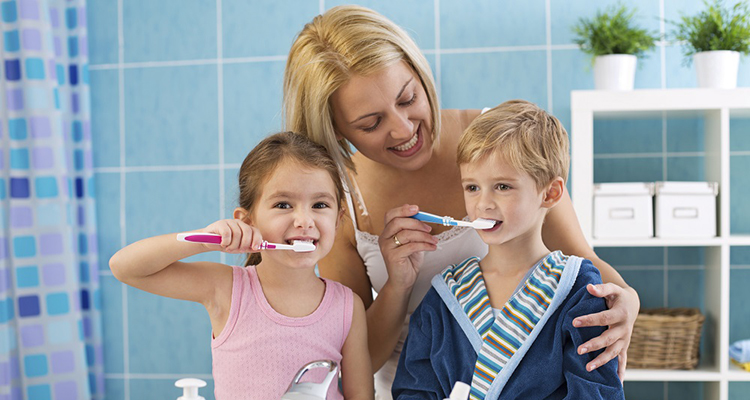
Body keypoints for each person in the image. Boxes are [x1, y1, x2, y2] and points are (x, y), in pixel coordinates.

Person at [283, 5, 639, 397]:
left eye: (407, 98)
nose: (403, 129)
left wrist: (630, 301)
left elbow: (582, 262)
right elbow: (355, 357)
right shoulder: (337, 200)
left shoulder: (502, 143)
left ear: (419, 72)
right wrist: (397, 286)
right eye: (371, 123)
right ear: (335, 130)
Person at [108, 132, 373, 400]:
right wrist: (204, 241)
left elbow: (361, 395)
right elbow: (124, 267)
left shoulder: (348, 307)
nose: (304, 220)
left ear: (338, 220)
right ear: (247, 221)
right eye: (283, 204)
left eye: (319, 204)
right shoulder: (226, 288)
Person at [392, 100, 624, 399]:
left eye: (502, 186)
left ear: (550, 193)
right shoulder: (445, 294)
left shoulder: (579, 290)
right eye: (472, 187)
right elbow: (414, 388)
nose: (483, 203)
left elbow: (596, 390)